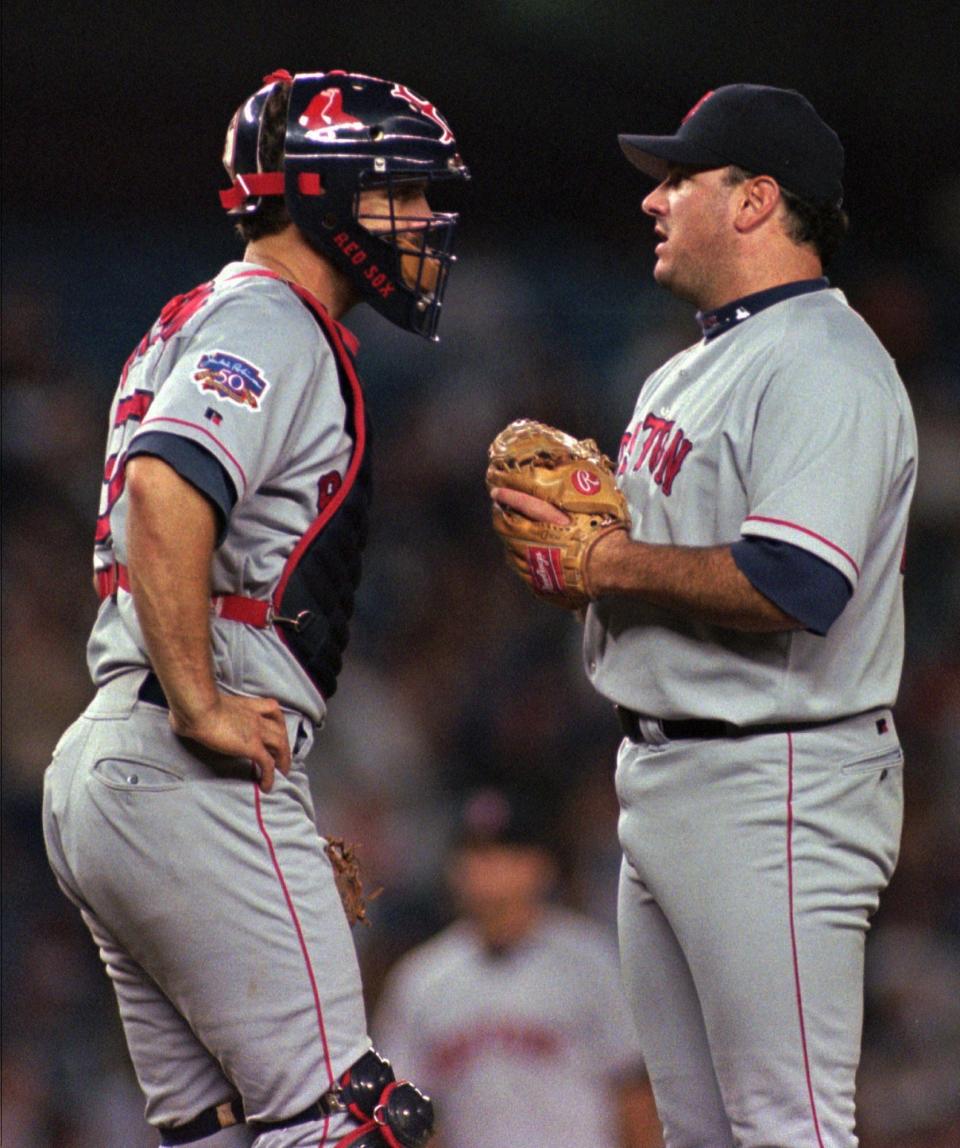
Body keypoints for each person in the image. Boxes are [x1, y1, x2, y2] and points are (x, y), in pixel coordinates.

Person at [41, 68, 469, 1148]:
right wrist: (199, 707)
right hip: (179, 751)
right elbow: (167, 486)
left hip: (118, 762)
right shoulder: (274, 318)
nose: (423, 220)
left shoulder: (199, 316)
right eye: (402, 194)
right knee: (350, 1120)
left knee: (219, 1131)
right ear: (325, 193)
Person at [489, 84, 917, 1146]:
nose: (655, 199)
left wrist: (612, 555)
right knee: (700, 1133)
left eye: (682, 177)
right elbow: (626, 563)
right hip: (670, 776)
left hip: (774, 776)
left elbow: (796, 585)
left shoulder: (826, 362)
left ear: (756, 199)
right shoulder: (687, 368)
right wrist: (585, 559)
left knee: (788, 1126)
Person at [373, 789, 662, 1148]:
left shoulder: (591, 961)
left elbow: (635, 1097)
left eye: (507, 853)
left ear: (541, 866)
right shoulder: (420, 978)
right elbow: (404, 1120)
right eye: (476, 854)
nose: (489, 870)